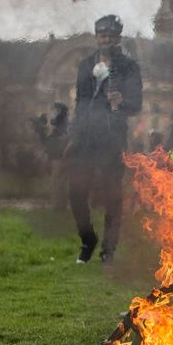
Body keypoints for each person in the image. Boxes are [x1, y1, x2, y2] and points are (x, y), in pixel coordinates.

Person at [65, 14, 142, 264]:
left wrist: (122, 103)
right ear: (96, 37)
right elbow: (80, 102)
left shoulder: (129, 67)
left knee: (112, 196)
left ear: (118, 37)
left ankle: (108, 249)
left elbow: (136, 104)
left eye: (110, 35)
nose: (106, 39)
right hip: (86, 136)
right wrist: (74, 134)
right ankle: (88, 240)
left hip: (112, 137)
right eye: (102, 35)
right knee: (76, 192)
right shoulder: (85, 64)